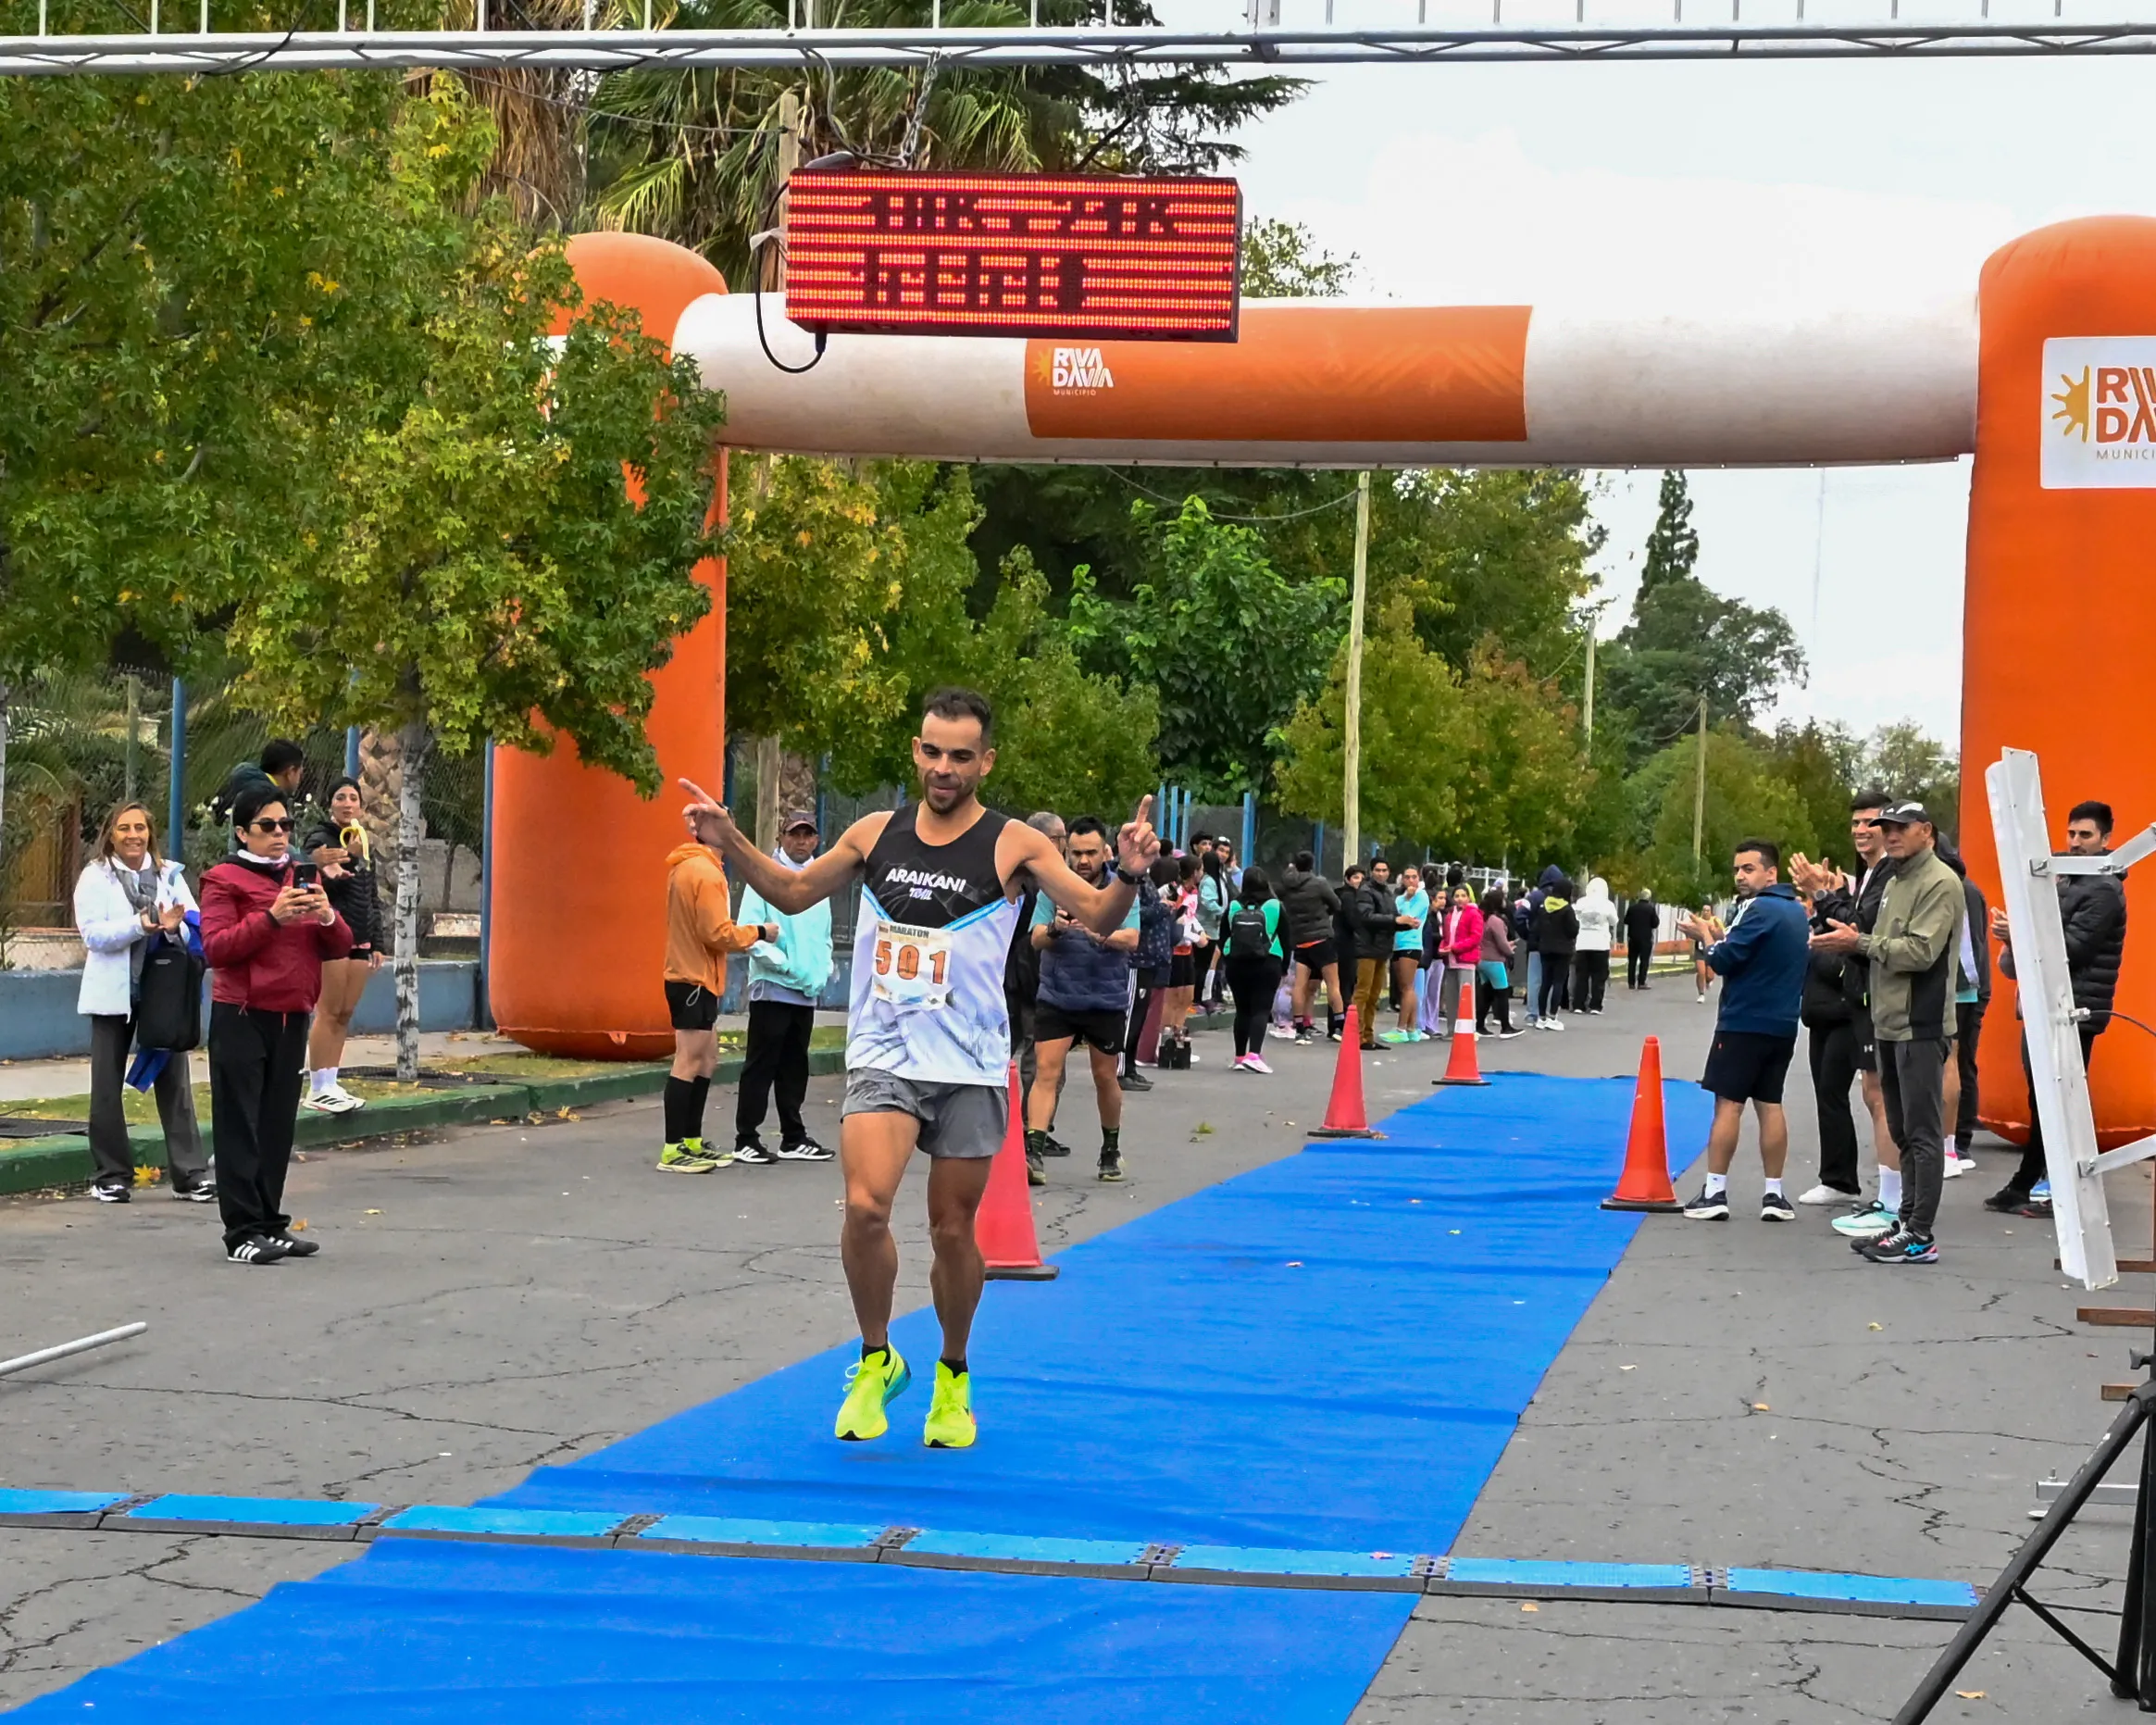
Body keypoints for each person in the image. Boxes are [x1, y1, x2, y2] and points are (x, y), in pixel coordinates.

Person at [679, 686, 1158, 1450]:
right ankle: (876, 1357)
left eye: (960, 756)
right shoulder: (875, 832)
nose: (943, 767)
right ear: (916, 750)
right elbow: (794, 892)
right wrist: (729, 837)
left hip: (968, 1062)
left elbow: (1098, 915)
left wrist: (1127, 873)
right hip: (886, 1053)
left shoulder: (1014, 844)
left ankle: (953, 1373)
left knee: (951, 1228)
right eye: (932, 751)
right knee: (865, 1206)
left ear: (985, 761)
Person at [198, 785, 351, 1264]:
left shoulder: (301, 875)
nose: (280, 833)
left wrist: (326, 916)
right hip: (242, 1014)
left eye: (286, 824)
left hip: (292, 1014)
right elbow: (216, 948)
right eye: (267, 826)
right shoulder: (223, 879)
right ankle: (241, 1231)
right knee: (239, 1124)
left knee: (276, 1125)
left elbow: (339, 945)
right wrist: (271, 918)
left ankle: (269, 1222)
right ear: (243, 832)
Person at [1812, 802, 1964, 1265]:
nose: (1890, 835)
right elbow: (1880, 944)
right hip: (1889, 1020)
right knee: (1901, 1128)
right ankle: (1907, 1221)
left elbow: (1919, 952)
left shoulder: (1939, 882)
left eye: (1900, 828)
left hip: (1921, 1022)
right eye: (1887, 828)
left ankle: (1920, 1234)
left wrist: (1857, 942)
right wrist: (1852, 940)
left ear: (1926, 831)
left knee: (1922, 1132)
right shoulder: (1896, 880)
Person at [1985, 798, 2128, 1218]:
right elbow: (2044, 944)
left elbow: (2072, 950)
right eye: (2071, 833)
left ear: (2106, 840)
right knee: (2044, 1101)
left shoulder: (2103, 888)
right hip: (2047, 1005)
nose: (2076, 842)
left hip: (2074, 1009)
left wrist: (2018, 933)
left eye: (2086, 835)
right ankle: (2029, 1183)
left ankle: (2054, 1187)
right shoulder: (2064, 880)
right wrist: (2015, 938)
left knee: (2060, 1102)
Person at [73, 802, 213, 1206]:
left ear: (150, 833)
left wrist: (173, 928)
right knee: (105, 1087)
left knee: (175, 1085)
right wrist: (139, 925)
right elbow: (93, 935)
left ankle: (190, 1175)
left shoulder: (170, 875)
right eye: (124, 828)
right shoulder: (95, 876)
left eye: (140, 828)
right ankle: (112, 1175)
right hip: (113, 996)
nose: (133, 835)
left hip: (162, 996)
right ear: (110, 834)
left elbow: (195, 925)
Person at [1677, 840, 1810, 1224]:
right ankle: (1775, 1193)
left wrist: (1706, 937)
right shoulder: (1796, 911)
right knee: (1770, 1103)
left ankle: (1715, 1191)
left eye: (1749, 869)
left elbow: (1723, 959)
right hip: (1782, 1023)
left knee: (1728, 1104)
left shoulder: (1758, 908)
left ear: (1771, 872)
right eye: (1737, 869)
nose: (1740, 876)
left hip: (1743, 1021)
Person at [1799, 793, 1908, 1244]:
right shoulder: (1869, 874)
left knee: (1884, 1098)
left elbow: (1859, 930)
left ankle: (1895, 1202)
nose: (1862, 831)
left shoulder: (1891, 874)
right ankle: (1890, 1197)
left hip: (1880, 998)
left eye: (1871, 823)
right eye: (1856, 823)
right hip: (1863, 997)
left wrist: (1824, 895)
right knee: (1874, 1094)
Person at [1025, 816, 1141, 1184]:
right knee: (1046, 1072)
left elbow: (1132, 939)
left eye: (1090, 852)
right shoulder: (1054, 887)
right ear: (1066, 851)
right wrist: (1056, 928)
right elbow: (1035, 938)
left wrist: (1097, 931)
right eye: (1076, 853)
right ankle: (1033, 1152)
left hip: (1104, 999)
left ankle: (1110, 1149)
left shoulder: (1121, 889)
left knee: (1104, 1077)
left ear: (1105, 852)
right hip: (1058, 996)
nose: (1083, 860)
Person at [657, 806, 772, 1174]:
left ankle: (691, 1139)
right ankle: (673, 1148)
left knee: (706, 1057)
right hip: (692, 979)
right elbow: (717, 933)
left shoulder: (691, 866)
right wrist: (759, 932)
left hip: (697, 978)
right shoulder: (705, 872)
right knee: (689, 1059)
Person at [733, 810, 837, 1165]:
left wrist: (822, 969)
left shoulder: (819, 881)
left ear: (816, 840)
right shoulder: (765, 878)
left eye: (808, 835)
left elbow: (824, 935)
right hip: (773, 987)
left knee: (795, 1066)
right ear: (781, 838)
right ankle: (746, 1138)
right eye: (794, 834)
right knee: (761, 1065)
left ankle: (793, 1137)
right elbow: (749, 932)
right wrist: (785, 965)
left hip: (805, 991)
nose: (801, 841)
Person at [298, 777, 382, 1117]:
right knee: (329, 1012)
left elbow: (371, 895)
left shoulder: (362, 841)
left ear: (361, 805)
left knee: (345, 1013)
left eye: (353, 798)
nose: (348, 803)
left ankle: (331, 1082)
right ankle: (317, 1086)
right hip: (333, 935)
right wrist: (342, 860)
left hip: (361, 937)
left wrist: (377, 941)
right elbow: (326, 874)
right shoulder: (322, 838)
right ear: (330, 804)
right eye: (340, 797)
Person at [1791, 858, 1863, 1207]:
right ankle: (1837, 1177)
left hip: (1843, 1018)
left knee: (1834, 1096)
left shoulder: (1846, 924)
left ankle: (1839, 1180)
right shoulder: (1819, 923)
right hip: (1819, 1018)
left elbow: (1842, 968)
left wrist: (1815, 948)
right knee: (1826, 1096)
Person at [1004, 812, 1069, 1141]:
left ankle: (1021, 1126)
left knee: (1007, 1049)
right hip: (1031, 979)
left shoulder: (1013, 873)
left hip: (1013, 977)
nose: (1064, 846)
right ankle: (1031, 1131)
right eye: (1061, 839)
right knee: (1041, 1059)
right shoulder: (1042, 880)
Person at [1934, 843, 1988, 1181]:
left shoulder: (1957, 887)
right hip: (1964, 984)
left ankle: (1958, 1142)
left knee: (1956, 1060)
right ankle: (1954, 1142)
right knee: (1956, 1060)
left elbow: (1970, 944)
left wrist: (1973, 986)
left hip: (1962, 986)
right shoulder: (1960, 885)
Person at [1223, 865, 1287, 1073]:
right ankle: (1254, 1055)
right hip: (1268, 962)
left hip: (1236, 963)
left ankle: (1239, 1056)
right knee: (1261, 1009)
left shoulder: (1234, 905)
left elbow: (1223, 936)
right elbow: (1287, 938)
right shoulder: (1275, 905)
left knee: (1242, 1010)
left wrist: (1227, 958)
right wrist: (1284, 967)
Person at [1119, 858, 1173, 1093]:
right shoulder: (1130, 881)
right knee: (1130, 1018)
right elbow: (1133, 914)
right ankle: (1120, 1070)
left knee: (1139, 1017)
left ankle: (1130, 1067)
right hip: (1137, 958)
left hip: (1149, 958)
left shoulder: (1145, 879)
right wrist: (1162, 908)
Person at [1280, 850, 1343, 1044]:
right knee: (1333, 984)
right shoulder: (1319, 883)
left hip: (1300, 939)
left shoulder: (1287, 886)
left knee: (1299, 986)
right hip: (1321, 937)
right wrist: (1323, 913)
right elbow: (1337, 904)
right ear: (1312, 865)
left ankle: (1300, 1028)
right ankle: (1340, 1026)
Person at [1158, 853, 1207, 1066]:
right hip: (1174, 950)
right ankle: (1164, 1041)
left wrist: (1199, 932)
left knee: (1187, 995)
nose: (1202, 873)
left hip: (1187, 950)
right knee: (1172, 998)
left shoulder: (1193, 892)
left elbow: (1190, 918)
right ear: (1194, 872)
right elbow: (1175, 920)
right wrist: (1196, 937)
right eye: (1201, 869)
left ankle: (1179, 1037)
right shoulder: (1174, 891)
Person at [1350, 857, 1398, 1050]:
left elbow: (1391, 919)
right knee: (1362, 992)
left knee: (1374, 995)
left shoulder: (1387, 893)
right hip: (1367, 948)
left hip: (1382, 949)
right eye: (1378, 870)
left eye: (1384, 870)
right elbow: (1367, 917)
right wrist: (1395, 920)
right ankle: (1355, 1034)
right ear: (1371, 872)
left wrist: (1405, 923)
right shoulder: (1365, 891)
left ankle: (1367, 1036)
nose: (1381, 874)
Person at [212, 738, 306, 829]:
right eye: (300, 774)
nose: (300, 779)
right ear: (290, 772)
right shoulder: (268, 799)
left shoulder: (246, 786)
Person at [1384, 863, 1430, 1044]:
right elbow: (1395, 917)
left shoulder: (1422, 897)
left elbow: (1409, 918)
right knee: (1404, 986)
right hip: (1398, 944)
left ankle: (1401, 1029)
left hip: (1411, 943)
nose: (1410, 880)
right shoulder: (1400, 898)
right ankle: (1411, 1029)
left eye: (1414, 877)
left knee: (1407, 987)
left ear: (1419, 879)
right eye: (1407, 877)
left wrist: (1408, 902)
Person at [1530, 872, 1578, 1030]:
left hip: (1545, 948)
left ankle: (1541, 1017)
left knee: (1545, 982)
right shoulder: (1567, 909)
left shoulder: (1544, 907)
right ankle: (1553, 1017)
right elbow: (1573, 931)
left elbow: (1537, 928)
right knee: (1558, 982)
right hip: (1563, 951)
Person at [1436, 882, 1484, 1037]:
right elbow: (1446, 937)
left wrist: (1455, 947)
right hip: (1450, 961)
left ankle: (1469, 1031)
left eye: (1463, 895)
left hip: (1466, 961)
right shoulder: (1450, 915)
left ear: (1469, 897)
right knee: (1451, 998)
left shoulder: (1474, 914)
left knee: (1466, 997)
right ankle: (1452, 1030)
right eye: (1457, 896)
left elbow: (1475, 937)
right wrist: (1443, 947)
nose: (1460, 899)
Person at [1476, 888, 1523, 1038]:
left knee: (1487, 993)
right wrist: (1510, 950)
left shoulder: (1481, 918)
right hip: (1494, 961)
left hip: (1481, 959)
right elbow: (1501, 943)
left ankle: (1479, 1025)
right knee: (1502, 992)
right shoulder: (1496, 921)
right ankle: (1506, 1027)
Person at [1572, 876, 1618, 1014]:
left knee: (1582, 976)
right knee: (1599, 976)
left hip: (1582, 943)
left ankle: (1579, 1004)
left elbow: (1575, 918)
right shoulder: (1607, 904)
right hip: (1600, 944)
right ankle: (1595, 1006)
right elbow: (1614, 921)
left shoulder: (1581, 902)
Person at [1196, 846, 1230, 1014]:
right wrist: (1223, 912)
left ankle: (1208, 995)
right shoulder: (1209, 881)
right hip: (1206, 927)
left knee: (1212, 963)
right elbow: (1208, 902)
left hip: (1214, 928)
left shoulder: (1218, 879)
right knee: (1205, 964)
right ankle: (1202, 997)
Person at [1624, 888, 1660, 991]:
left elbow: (1626, 921)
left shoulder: (1632, 908)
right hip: (1645, 938)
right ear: (1649, 898)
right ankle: (1641, 982)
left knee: (1632, 961)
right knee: (1644, 961)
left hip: (1633, 938)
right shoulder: (1650, 909)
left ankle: (1631, 983)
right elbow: (1655, 923)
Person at [1689, 902, 1721, 1003]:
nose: (1706, 912)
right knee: (1701, 972)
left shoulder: (1715, 921)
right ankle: (1701, 994)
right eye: (1704, 910)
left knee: (1710, 976)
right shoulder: (1698, 921)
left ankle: (1708, 981)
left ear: (1711, 912)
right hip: (1700, 950)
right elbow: (1691, 931)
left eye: (1708, 910)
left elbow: (1721, 933)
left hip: (1711, 950)